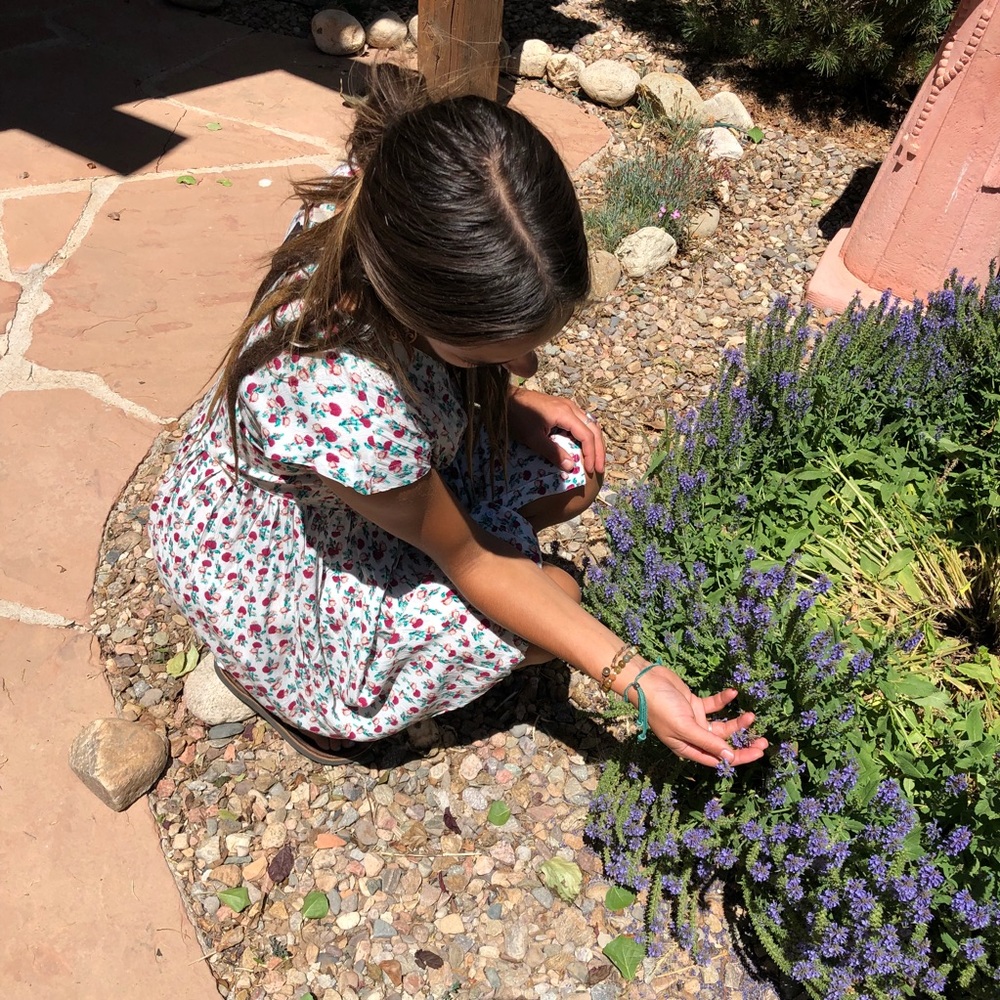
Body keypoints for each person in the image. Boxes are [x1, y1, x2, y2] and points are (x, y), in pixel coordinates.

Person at [148, 67, 768, 769]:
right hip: (279, 568)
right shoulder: (343, 395)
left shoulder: (387, 195)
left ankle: (440, 553)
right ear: (416, 307)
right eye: (491, 354)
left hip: (367, 478)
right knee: (556, 599)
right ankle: (312, 702)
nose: (528, 366)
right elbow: (469, 556)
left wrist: (506, 398)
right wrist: (635, 675)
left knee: (573, 471)